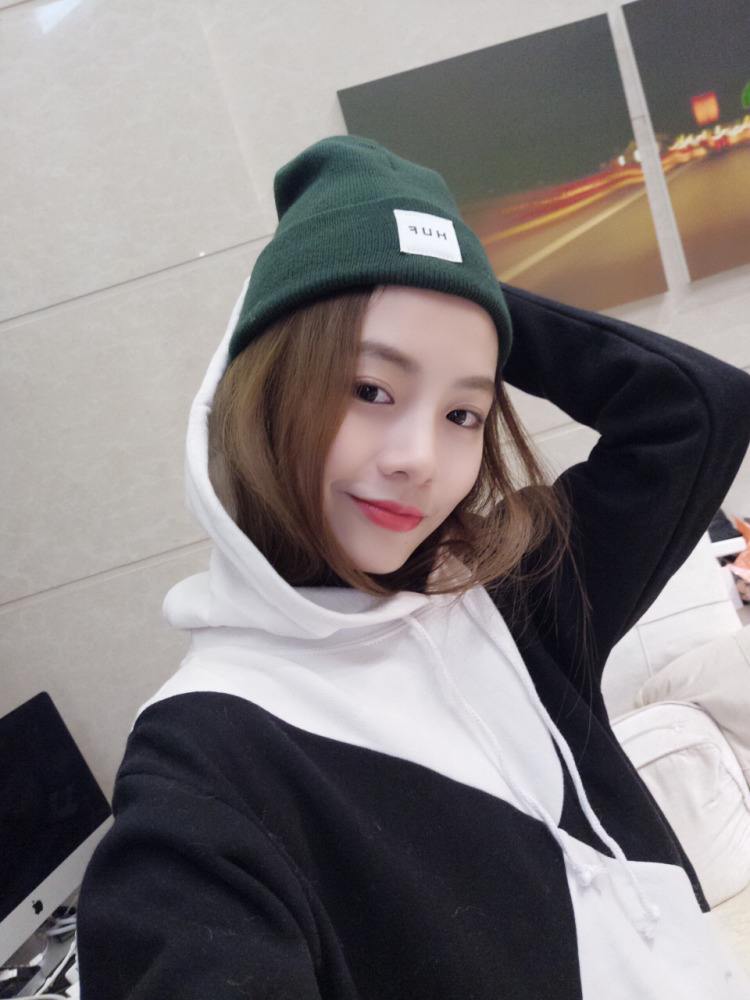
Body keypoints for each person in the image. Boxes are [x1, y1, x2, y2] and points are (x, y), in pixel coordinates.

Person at [76, 134, 750, 998]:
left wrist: (456, 289)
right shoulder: (206, 757)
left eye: (464, 413)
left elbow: (697, 410)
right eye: (370, 390)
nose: (419, 460)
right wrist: (364, 275)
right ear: (264, 386)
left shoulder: (511, 601)